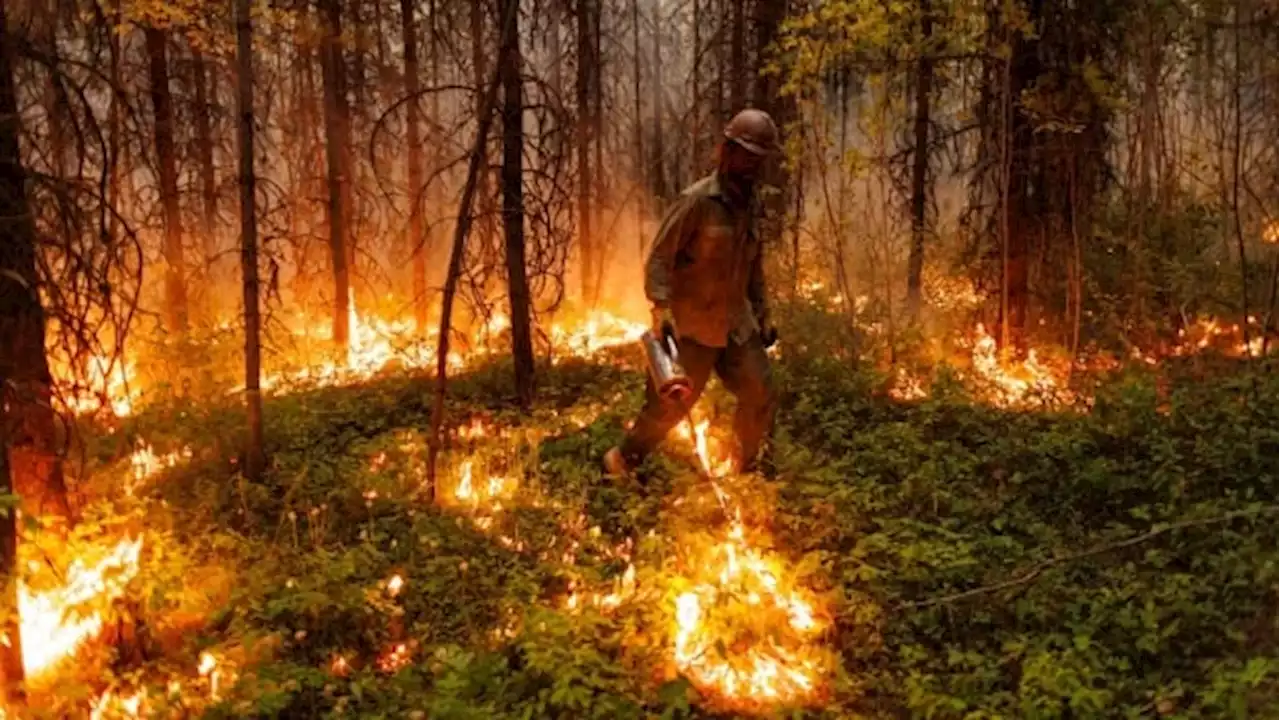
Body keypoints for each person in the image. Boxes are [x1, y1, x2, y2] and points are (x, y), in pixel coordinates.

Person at [603, 108, 780, 478]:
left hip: (736, 324)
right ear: (727, 152)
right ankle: (623, 461)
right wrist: (661, 308)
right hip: (693, 326)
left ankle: (748, 471)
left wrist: (762, 312)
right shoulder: (697, 202)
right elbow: (659, 258)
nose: (751, 166)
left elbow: (753, 266)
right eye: (746, 155)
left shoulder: (751, 206)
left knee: (760, 391)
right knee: (668, 407)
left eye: (758, 159)